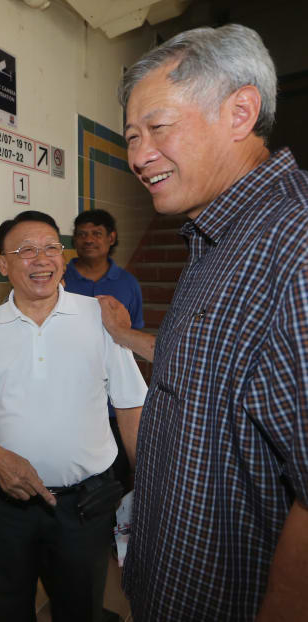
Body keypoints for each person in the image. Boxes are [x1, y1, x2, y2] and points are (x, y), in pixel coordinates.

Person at [118, 24, 308, 620]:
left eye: (157, 127)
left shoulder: (293, 242)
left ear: (240, 111)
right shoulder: (216, 244)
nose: (139, 155)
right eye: (130, 137)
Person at [0, 210, 146, 621]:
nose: (42, 259)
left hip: (84, 504)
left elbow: (129, 404)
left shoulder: (100, 317)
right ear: (3, 264)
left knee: (79, 608)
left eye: (51, 247)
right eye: (27, 250)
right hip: (9, 504)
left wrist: (145, 486)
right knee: (11, 604)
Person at [65, 208, 144, 485]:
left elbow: (133, 336)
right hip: (68, 397)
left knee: (113, 478)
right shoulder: (59, 279)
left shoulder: (128, 283)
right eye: (82, 234)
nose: (88, 239)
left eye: (96, 233)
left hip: (112, 404)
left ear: (111, 238)